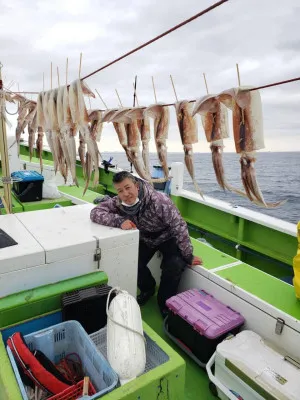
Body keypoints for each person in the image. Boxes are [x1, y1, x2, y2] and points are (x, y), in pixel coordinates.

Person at [90, 171, 202, 317]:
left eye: (128, 187)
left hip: (167, 236)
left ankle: (165, 303)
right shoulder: (118, 202)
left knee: (174, 265)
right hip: (145, 238)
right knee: (132, 260)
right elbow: (95, 212)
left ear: (136, 186)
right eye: (120, 190)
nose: (125, 194)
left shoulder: (159, 201)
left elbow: (179, 226)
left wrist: (188, 255)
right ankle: (148, 288)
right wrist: (119, 221)